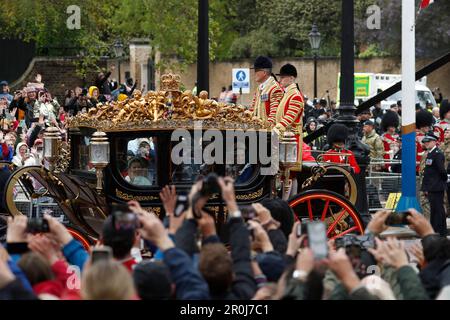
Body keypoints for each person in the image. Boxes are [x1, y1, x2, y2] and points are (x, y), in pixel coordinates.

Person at [273, 64, 305, 159]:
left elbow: (288, 118)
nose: (279, 80)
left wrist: (275, 130)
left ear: (291, 78)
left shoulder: (295, 96)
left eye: (282, 77)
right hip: (284, 138)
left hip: (291, 139)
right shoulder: (287, 94)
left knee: (288, 171)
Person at [421, 132, 448, 236]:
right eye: (425, 142)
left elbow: (442, 171)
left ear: (434, 142)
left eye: (428, 142)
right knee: (435, 210)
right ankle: (435, 230)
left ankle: (440, 231)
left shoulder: (437, 154)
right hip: (432, 187)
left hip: (436, 187)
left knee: (438, 210)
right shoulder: (431, 153)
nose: (426, 143)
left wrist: (442, 181)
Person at [250, 56, 283, 125]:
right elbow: (252, 109)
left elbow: (274, 116)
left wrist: (264, 130)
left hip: (269, 132)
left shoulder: (275, 89)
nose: (254, 73)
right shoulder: (259, 88)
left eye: (256, 70)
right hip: (258, 130)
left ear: (264, 72)